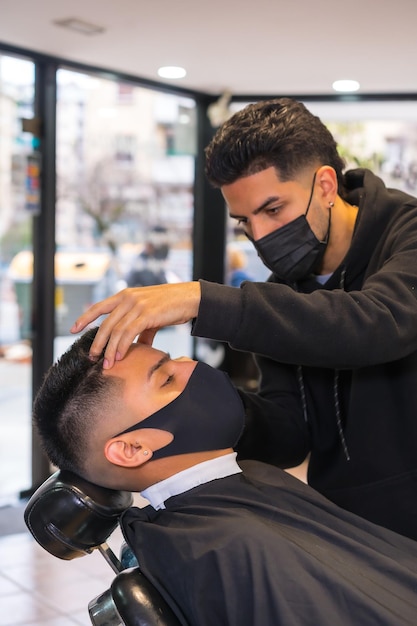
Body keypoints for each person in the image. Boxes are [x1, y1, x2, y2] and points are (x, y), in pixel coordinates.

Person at [70, 98, 417, 540]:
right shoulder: (283, 292)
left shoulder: (407, 235)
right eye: (244, 222)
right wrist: (189, 398)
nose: (261, 236)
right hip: (355, 526)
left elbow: (379, 324)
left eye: (273, 210)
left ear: (326, 185)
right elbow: (291, 436)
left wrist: (204, 301)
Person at [33, 328, 417, 626]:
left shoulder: (249, 482)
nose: (194, 368)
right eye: (166, 378)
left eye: (175, 358)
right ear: (133, 449)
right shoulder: (221, 545)